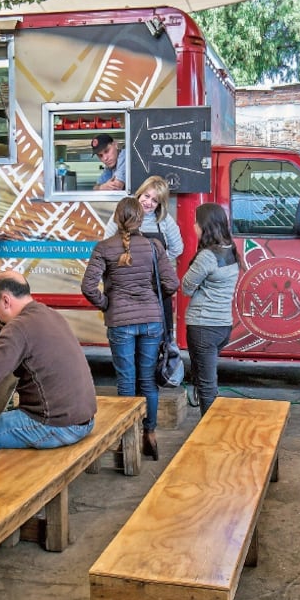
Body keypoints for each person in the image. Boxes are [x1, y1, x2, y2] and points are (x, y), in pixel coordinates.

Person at [0, 271, 97, 467]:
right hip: (83, 418)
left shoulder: (17, 328)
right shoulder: (47, 313)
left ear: (6, 300)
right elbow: (26, 341)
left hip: (56, 425)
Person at [81, 197, 179, 460]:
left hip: (120, 322)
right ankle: (150, 433)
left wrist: (107, 303)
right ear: (140, 219)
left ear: (116, 218)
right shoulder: (154, 246)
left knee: (126, 380)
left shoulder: (104, 248)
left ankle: (127, 438)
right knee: (147, 380)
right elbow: (172, 284)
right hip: (151, 321)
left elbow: (88, 287)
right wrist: (151, 298)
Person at [103, 175, 183, 332]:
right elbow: (107, 246)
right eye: (146, 196)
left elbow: (177, 248)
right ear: (139, 193)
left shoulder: (164, 220)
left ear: (160, 204)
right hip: (125, 288)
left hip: (156, 289)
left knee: (158, 336)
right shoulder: (122, 214)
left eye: (155, 200)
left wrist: (158, 263)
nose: (148, 202)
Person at [181, 203, 239, 416]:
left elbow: (186, 287)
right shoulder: (230, 249)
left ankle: (209, 429)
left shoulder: (207, 256)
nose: (194, 226)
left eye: (196, 222)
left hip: (203, 326)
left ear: (205, 226)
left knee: (206, 385)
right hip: (223, 326)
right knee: (206, 380)